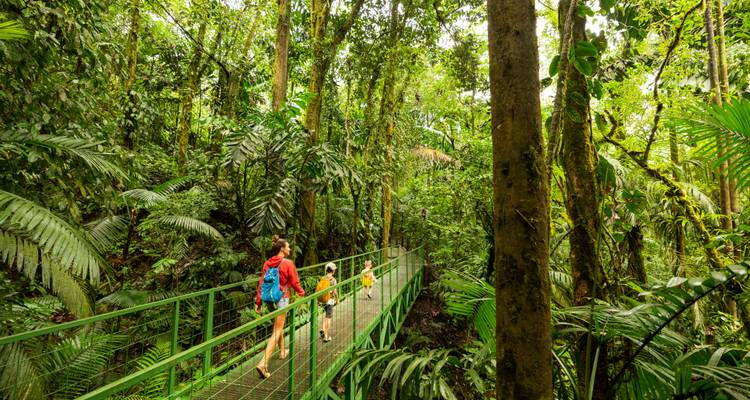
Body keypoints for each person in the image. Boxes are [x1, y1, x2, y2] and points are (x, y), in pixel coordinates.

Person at [254, 236, 304, 379]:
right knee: (277, 329)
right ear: (282, 248)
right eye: (288, 247)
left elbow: (261, 283)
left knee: (278, 325)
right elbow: (295, 282)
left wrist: (258, 302)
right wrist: (302, 293)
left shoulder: (268, 263)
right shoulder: (288, 263)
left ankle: (282, 351)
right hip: (282, 297)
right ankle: (263, 363)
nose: (290, 249)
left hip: (269, 299)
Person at [318, 262, 338, 343]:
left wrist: (318, 300)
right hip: (330, 300)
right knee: (328, 317)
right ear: (333, 271)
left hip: (323, 300)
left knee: (326, 314)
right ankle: (327, 336)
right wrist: (337, 298)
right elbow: (335, 291)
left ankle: (323, 329)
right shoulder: (333, 280)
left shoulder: (323, 278)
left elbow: (319, 289)